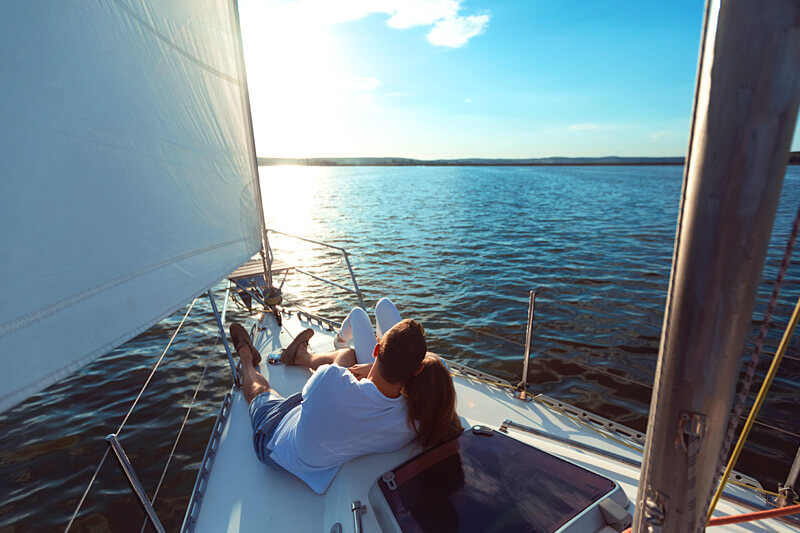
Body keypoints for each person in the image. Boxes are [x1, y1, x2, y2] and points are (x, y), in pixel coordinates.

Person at [229, 299, 461, 494]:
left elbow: (330, 381)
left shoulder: (330, 381)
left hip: (277, 439)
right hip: (320, 420)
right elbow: (435, 364)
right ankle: (301, 356)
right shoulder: (417, 417)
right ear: (417, 370)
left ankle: (246, 357)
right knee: (347, 356)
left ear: (377, 350)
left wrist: (363, 371)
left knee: (261, 392)